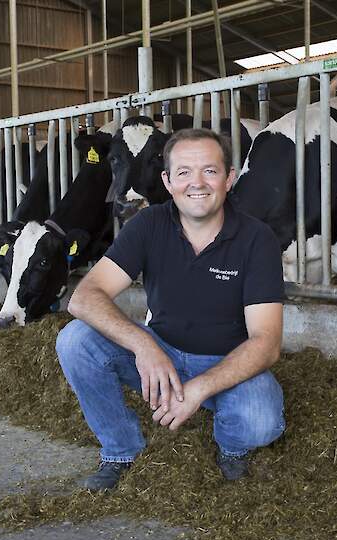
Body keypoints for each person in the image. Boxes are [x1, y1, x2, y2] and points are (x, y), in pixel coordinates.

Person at [56, 127, 286, 491]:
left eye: (210, 171)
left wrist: (197, 390)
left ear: (229, 178)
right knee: (75, 341)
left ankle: (231, 447)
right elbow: (85, 296)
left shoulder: (256, 239)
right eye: (183, 172)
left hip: (225, 360)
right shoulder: (149, 224)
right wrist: (145, 347)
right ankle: (120, 449)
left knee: (261, 420)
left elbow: (266, 342)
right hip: (161, 350)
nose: (197, 183)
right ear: (166, 180)